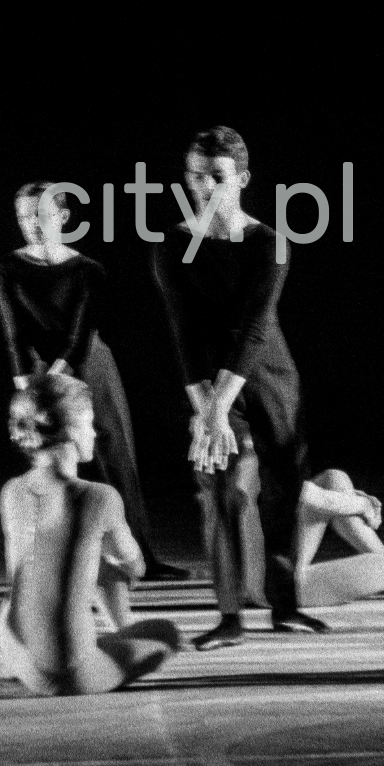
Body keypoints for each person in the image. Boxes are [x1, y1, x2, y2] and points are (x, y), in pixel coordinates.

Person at [149, 125, 317, 649]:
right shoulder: (173, 244)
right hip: (208, 384)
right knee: (216, 487)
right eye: (195, 176)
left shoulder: (270, 242)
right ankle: (228, 617)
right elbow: (184, 332)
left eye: (216, 176)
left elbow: (255, 328)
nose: (204, 186)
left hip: (267, 376)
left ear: (241, 178)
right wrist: (208, 412)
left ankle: (285, 606)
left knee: (282, 491)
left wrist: (218, 406)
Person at [0, 181, 185, 581]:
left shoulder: (87, 269)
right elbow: (14, 334)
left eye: (40, 216)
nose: (31, 225)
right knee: (47, 455)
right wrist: (30, 392)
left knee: (115, 455)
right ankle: (49, 553)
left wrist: (54, 384)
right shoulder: (4, 268)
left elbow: (78, 338)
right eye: (24, 217)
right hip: (36, 366)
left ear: (61, 217)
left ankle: (142, 555)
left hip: (89, 362)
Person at [0, 374, 183, 695]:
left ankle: (60, 650)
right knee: (167, 634)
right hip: (68, 675)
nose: (95, 433)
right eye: (90, 423)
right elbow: (135, 567)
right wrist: (116, 558)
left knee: (40, 574)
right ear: (69, 430)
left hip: (17, 653)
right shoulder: (98, 497)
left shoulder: (12, 490)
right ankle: (116, 635)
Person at [293, 469, 384, 607]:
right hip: (273, 576)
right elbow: (315, 498)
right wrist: (362, 504)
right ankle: (288, 587)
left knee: (335, 478)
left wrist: (349, 498)